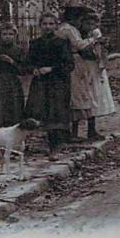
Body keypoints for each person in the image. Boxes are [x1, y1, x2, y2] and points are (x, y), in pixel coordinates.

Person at [24, 12, 75, 161]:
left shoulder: (62, 43)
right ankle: (42, 144)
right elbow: (28, 63)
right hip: (40, 83)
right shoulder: (35, 44)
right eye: (45, 24)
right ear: (40, 26)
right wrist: (33, 69)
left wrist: (52, 69)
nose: (48, 27)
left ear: (56, 25)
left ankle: (56, 147)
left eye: (51, 24)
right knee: (41, 112)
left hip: (58, 82)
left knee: (56, 113)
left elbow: (69, 65)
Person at [56, 3, 99, 142]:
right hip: (74, 61)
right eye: (80, 19)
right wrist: (93, 39)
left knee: (80, 95)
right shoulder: (68, 29)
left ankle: (78, 132)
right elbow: (79, 44)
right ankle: (74, 133)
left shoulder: (63, 28)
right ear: (74, 18)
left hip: (72, 61)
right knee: (78, 96)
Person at [80, 12, 116, 132]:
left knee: (95, 94)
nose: (91, 26)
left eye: (94, 24)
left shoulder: (96, 33)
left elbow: (101, 51)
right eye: (88, 23)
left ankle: (92, 128)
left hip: (95, 66)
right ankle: (89, 127)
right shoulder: (81, 36)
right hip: (86, 66)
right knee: (90, 94)